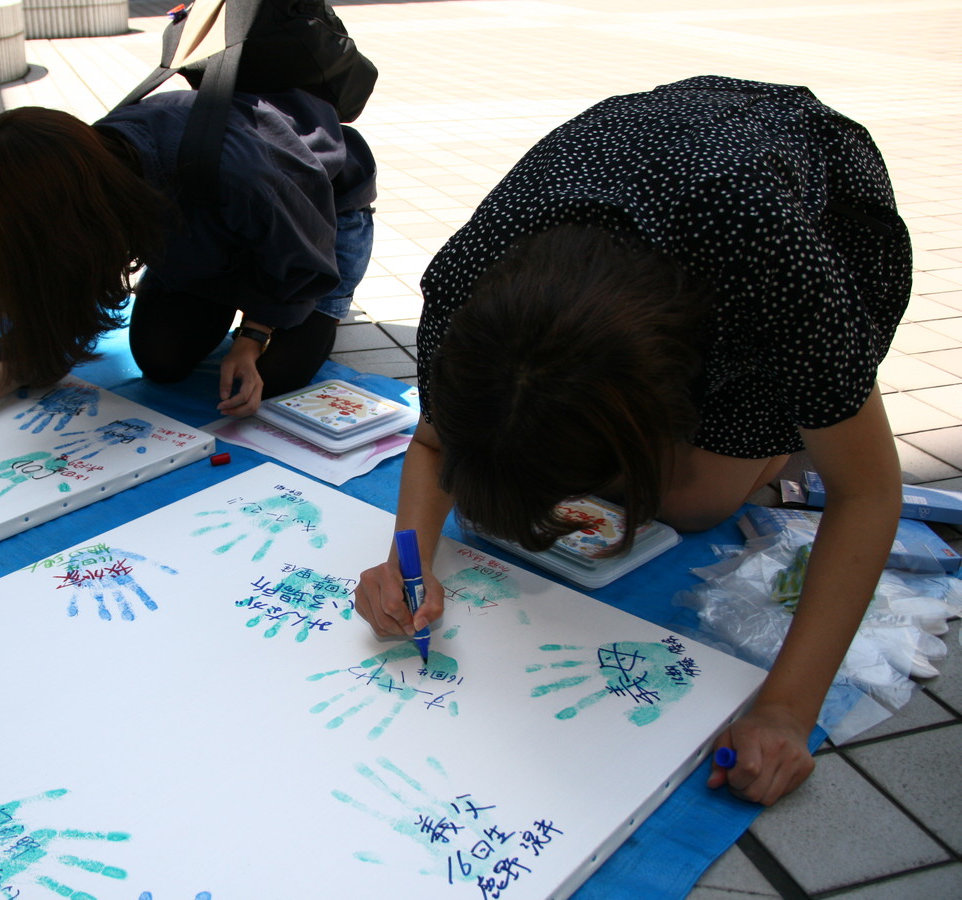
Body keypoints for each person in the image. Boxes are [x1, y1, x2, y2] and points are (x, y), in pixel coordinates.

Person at [354, 76, 910, 807]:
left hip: (780, 193)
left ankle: (788, 426)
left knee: (697, 503)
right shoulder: (465, 286)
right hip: (633, 184)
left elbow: (867, 491)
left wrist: (785, 710)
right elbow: (434, 445)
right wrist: (408, 558)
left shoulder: (774, 265)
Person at [0, 88, 376, 429]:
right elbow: (56, 303)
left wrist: (250, 340)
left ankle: (274, 321)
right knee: (161, 359)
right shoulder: (94, 186)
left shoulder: (235, 169)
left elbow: (299, 257)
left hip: (319, 226)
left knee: (274, 379)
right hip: (206, 240)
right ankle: (228, 295)